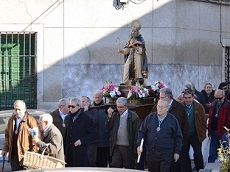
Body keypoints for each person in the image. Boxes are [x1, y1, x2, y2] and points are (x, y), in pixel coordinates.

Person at [152, 87, 191, 172]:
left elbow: (185, 126)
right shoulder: (157, 106)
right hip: (161, 146)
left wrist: (181, 143)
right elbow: (152, 122)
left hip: (175, 144)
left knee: (176, 167)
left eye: (162, 97)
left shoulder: (179, 107)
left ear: (168, 97)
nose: (160, 99)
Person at [137, 99, 183, 172]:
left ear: (167, 108)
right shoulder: (150, 117)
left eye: (162, 107)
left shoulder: (172, 119)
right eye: (158, 106)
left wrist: (177, 152)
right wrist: (139, 145)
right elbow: (142, 132)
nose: (160, 108)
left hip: (166, 153)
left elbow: (178, 137)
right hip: (151, 153)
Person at [1, 100, 39, 171]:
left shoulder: (31, 120)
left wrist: (33, 154)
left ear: (24, 109)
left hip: (25, 155)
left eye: (19, 109)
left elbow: (35, 139)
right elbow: (7, 135)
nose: (17, 111)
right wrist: (5, 148)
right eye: (15, 109)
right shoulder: (11, 119)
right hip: (14, 155)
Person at [106, 97, 141, 169]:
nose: (119, 109)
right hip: (117, 146)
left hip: (128, 147)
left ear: (126, 106)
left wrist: (136, 147)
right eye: (118, 107)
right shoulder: (115, 115)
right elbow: (108, 126)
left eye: (121, 107)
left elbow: (137, 133)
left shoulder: (133, 117)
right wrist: (109, 116)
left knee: (129, 167)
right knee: (115, 165)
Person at [65, 97, 98, 167]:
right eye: (69, 106)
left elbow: (94, 135)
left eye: (73, 106)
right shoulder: (68, 118)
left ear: (79, 106)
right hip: (70, 151)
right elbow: (66, 134)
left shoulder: (86, 118)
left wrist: (82, 140)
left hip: (81, 151)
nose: (70, 108)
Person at [182, 89, 207, 171]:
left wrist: (202, 131)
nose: (188, 100)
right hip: (184, 134)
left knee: (198, 153)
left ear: (193, 97)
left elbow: (203, 121)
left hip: (195, 133)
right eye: (186, 98)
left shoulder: (199, 107)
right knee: (184, 154)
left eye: (189, 97)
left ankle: (200, 169)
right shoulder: (181, 107)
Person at [118, 20, 148, 85]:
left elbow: (141, 51)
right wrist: (123, 51)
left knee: (137, 71)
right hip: (131, 56)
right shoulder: (130, 40)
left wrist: (134, 47)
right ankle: (125, 82)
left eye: (134, 31)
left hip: (138, 58)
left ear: (137, 32)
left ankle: (138, 84)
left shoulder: (141, 40)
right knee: (126, 67)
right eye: (132, 31)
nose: (133, 32)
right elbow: (127, 49)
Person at [208, 89, 230, 163]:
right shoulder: (213, 105)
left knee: (225, 152)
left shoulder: (228, 105)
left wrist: (225, 127)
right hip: (214, 131)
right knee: (212, 153)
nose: (218, 100)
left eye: (219, 98)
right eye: (216, 98)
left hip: (223, 132)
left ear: (224, 96)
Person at [91, 90, 110, 167]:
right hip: (93, 140)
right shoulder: (90, 108)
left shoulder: (106, 108)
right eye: (96, 97)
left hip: (104, 139)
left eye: (99, 97)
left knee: (103, 162)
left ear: (102, 97)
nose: (97, 99)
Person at [80, 96, 98, 167]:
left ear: (89, 102)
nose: (82, 103)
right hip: (81, 142)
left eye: (83, 101)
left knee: (90, 163)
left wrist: (86, 112)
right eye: (81, 102)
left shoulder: (94, 110)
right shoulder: (79, 111)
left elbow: (94, 121)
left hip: (91, 143)